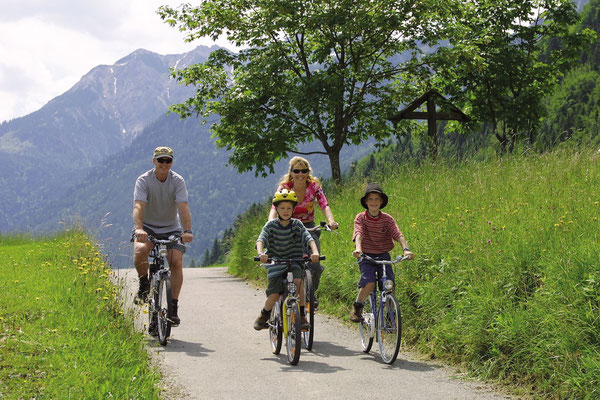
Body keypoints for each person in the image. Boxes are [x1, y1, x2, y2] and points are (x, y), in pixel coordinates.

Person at [132, 146, 193, 327]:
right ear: (154, 161)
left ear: (172, 162)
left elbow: (183, 206)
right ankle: (144, 285)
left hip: (171, 228)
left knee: (176, 261)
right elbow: (138, 206)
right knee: (141, 251)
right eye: (161, 160)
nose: (164, 164)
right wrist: (139, 229)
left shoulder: (177, 181)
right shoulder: (144, 180)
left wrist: (187, 230)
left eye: (168, 160)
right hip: (148, 228)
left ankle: (173, 307)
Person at [268, 156, 338, 306]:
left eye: (304, 171)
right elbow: (275, 207)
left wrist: (331, 221)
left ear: (308, 172)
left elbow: (324, 204)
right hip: (288, 227)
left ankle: (310, 295)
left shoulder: (313, 187)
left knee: (315, 264)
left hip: (309, 226)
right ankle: (281, 292)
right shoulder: (285, 187)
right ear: (291, 172)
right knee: (287, 262)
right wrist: (270, 222)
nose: (300, 174)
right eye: (296, 171)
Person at [255, 189, 320, 331]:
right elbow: (261, 239)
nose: (285, 211)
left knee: (299, 284)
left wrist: (314, 252)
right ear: (276, 209)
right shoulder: (271, 225)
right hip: (276, 263)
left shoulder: (297, 224)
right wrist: (261, 253)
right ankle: (263, 315)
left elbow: (308, 238)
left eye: (289, 208)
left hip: (294, 260)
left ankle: (302, 316)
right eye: (282, 208)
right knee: (274, 295)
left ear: (293, 210)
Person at [349, 183, 414, 322]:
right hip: (365, 255)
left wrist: (406, 249)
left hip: (383, 255)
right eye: (370, 199)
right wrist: (358, 248)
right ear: (366, 202)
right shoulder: (361, 218)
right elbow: (358, 233)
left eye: (377, 199)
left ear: (381, 201)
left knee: (389, 284)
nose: (373, 202)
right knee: (370, 282)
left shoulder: (387, 219)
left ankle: (391, 315)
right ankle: (358, 306)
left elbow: (397, 234)